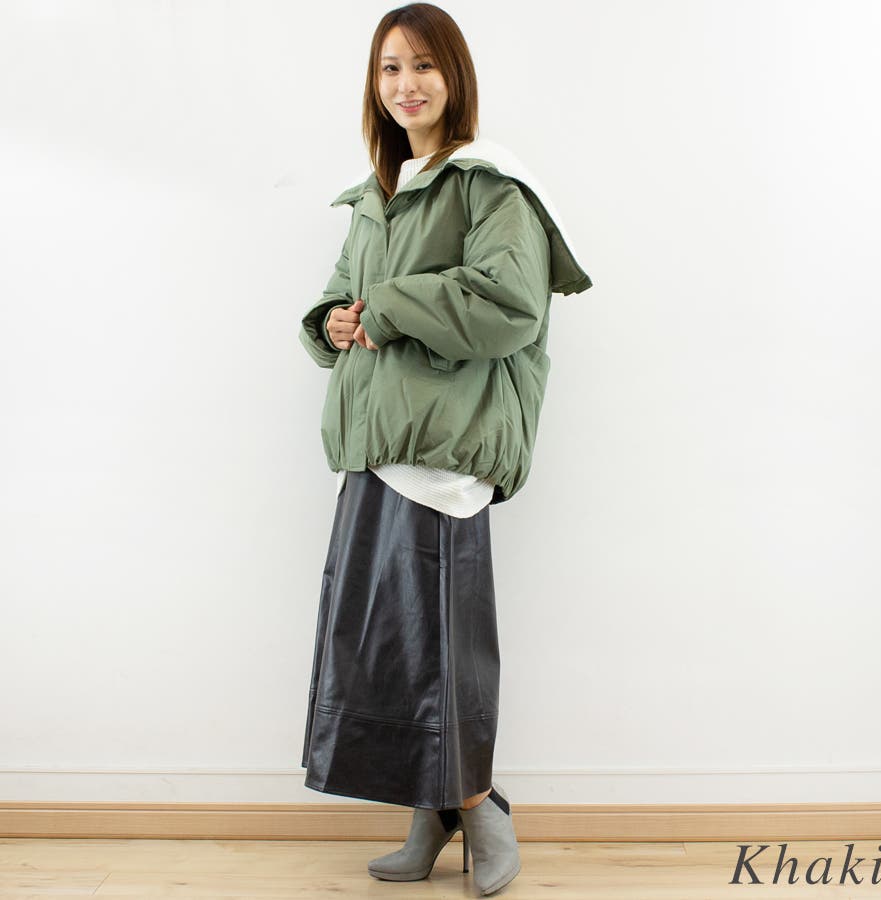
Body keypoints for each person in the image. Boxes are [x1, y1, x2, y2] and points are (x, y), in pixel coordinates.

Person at [297, 3, 592, 895]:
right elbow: (343, 296)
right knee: (387, 647)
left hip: (444, 452)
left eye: (423, 65)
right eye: (390, 68)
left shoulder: (490, 185)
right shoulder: (377, 194)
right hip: (375, 445)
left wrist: (386, 308)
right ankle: (430, 812)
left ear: (454, 76)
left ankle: (479, 806)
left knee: (444, 646)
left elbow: (509, 306)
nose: (406, 84)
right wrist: (333, 320)